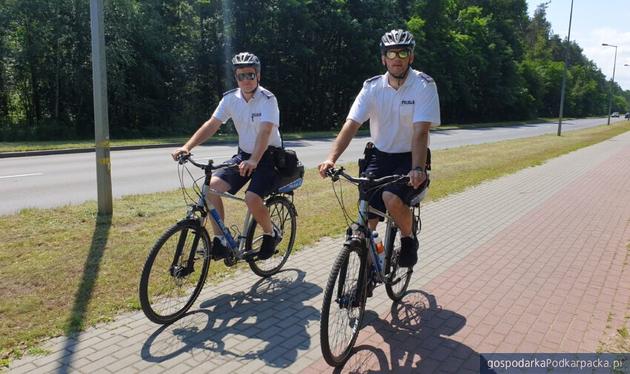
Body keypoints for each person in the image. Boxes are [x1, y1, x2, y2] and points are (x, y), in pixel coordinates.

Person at [318, 29, 440, 268]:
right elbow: (351, 124)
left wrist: (417, 168)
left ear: (411, 57)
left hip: (410, 156)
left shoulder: (424, 85)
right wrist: (331, 158)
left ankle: (408, 237)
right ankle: (367, 272)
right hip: (379, 155)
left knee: (391, 197)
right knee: (366, 217)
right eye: (391, 53)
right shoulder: (372, 87)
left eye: (403, 52)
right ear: (383, 58)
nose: (397, 58)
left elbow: (420, 131)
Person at [172, 52, 282, 260]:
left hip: (268, 157)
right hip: (244, 155)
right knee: (211, 189)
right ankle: (221, 240)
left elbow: (265, 132)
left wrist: (254, 161)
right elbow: (212, 124)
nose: (246, 80)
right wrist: (187, 147)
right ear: (236, 77)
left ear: (258, 75)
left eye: (250, 75)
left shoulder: (268, 99)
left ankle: (271, 233)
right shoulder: (230, 98)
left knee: (251, 198)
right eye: (241, 76)